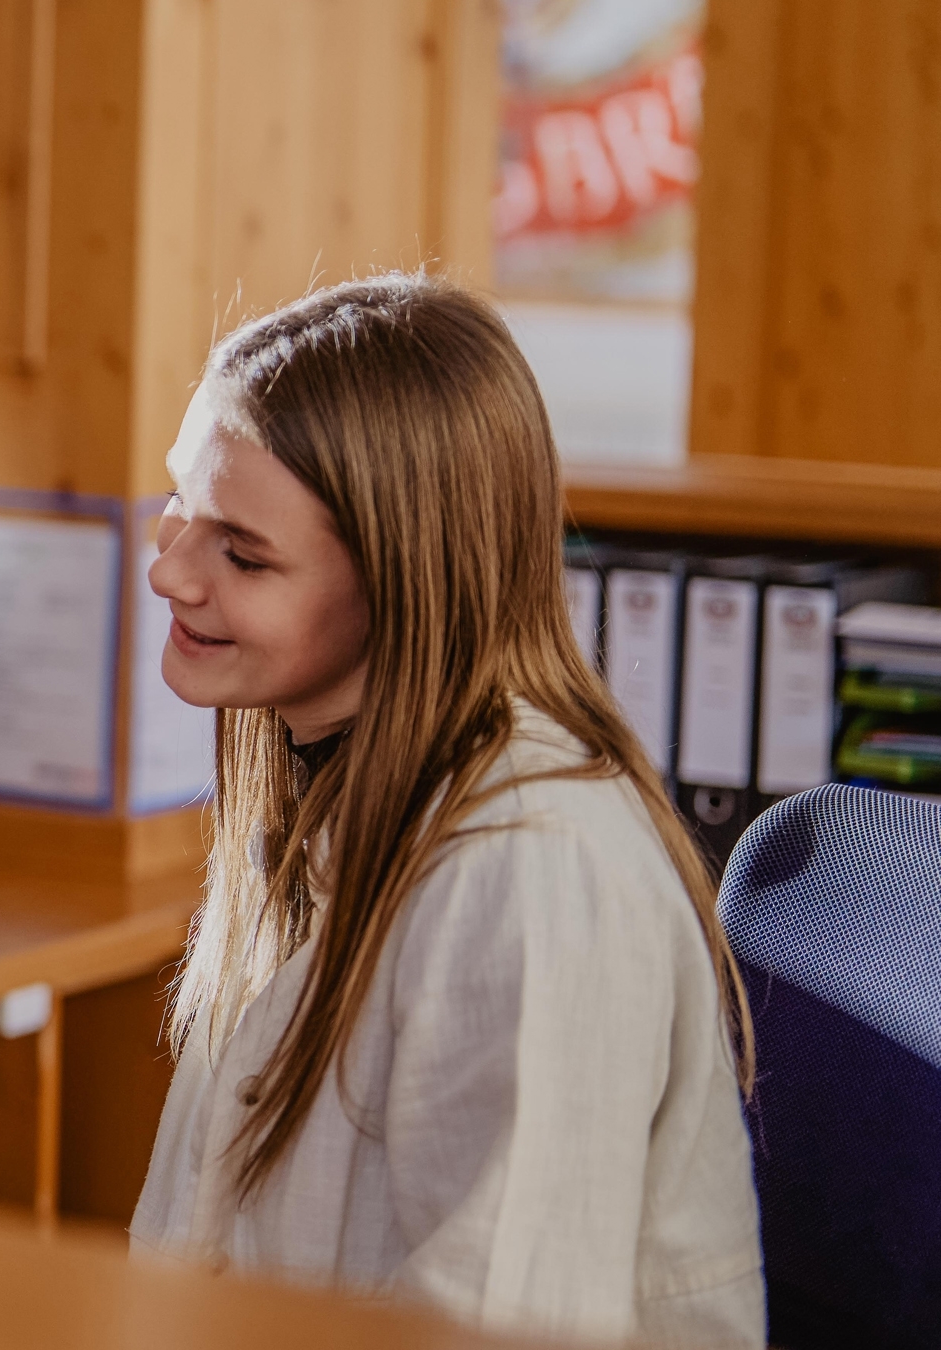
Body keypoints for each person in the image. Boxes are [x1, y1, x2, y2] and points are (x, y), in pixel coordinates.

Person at [130, 275, 763, 1346]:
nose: (168, 571)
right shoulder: (326, 781)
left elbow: (507, 1323)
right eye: (181, 508)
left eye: (243, 553)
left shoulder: (530, 876)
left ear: (403, 584)